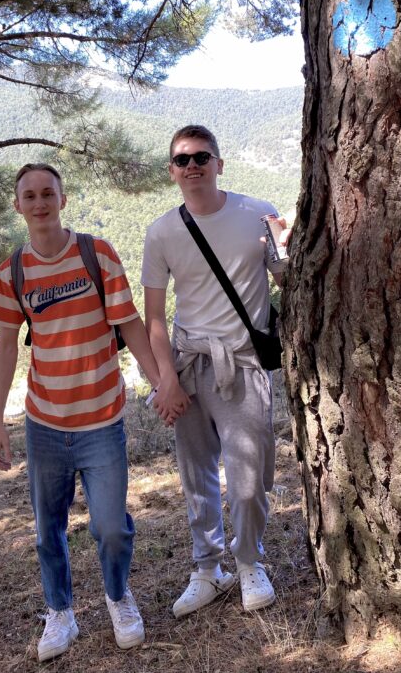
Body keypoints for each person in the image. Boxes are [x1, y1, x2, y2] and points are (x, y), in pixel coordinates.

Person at [0, 162, 162, 662]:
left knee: (110, 527)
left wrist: (160, 384)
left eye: (48, 193)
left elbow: (129, 325)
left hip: (102, 421)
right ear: (18, 205)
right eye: (30, 196)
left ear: (62, 199)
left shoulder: (96, 254)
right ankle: (60, 612)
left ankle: (117, 596)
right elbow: (5, 348)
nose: (40, 203)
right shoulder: (12, 272)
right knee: (49, 529)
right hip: (45, 425)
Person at [141, 125, 289, 619]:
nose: (193, 166)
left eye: (203, 157)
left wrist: (286, 246)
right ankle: (207, 568)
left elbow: (287, 276)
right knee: (195, 475)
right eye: (182, 160)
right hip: (187, 364)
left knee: (249, 477)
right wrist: (166, 379)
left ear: (219, 164)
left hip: (242, 364)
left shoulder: (255, 213)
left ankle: (249, 561)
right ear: (172, 172)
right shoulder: (162, 232)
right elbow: (155, 318)